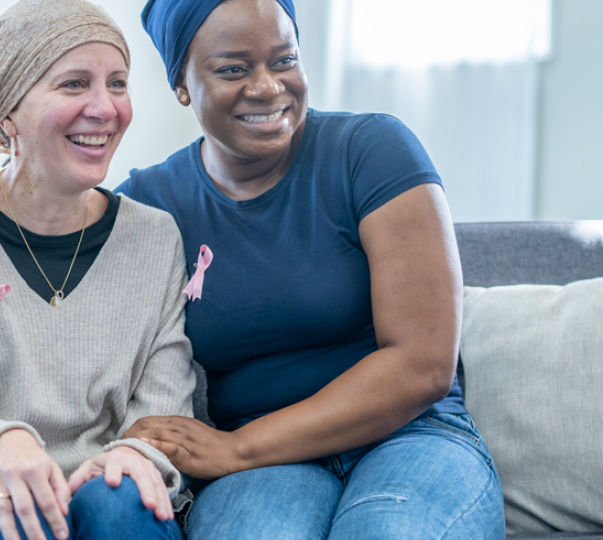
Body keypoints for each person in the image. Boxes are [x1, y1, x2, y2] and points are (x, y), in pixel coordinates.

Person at [117, 0, 506, 538]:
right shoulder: (150, 203)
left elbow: (424, 365)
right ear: (181, 83)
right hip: (265, 467)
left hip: (409, 436)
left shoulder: (371, 150)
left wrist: (235, 448)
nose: (269, 87)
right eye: (233, 68)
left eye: (284, 60)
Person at [0, 1, 195, 539]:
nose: (105, 108)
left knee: (118, 500)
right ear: (8, 114)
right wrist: (3, 444)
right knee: (27, 515)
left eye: (117, 84)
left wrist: (132, 456)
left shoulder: (154, 237)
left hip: (118, 507)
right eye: (74, 84)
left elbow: (164, 410)